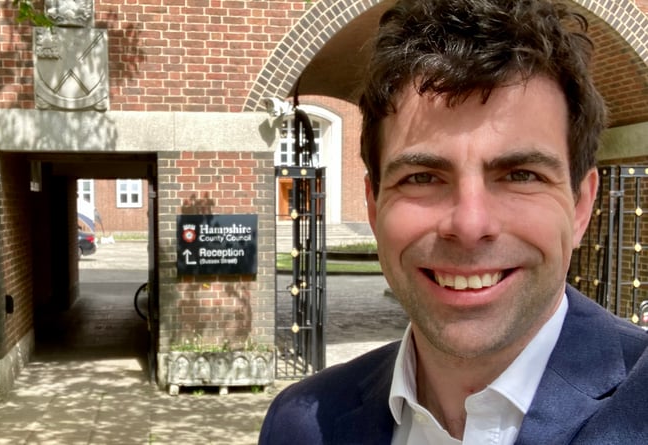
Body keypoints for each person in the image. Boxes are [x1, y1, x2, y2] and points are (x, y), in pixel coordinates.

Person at [259, 0, 648, 443]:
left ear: (580, 206)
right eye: (422, 177)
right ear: (374, 205)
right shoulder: (301, 425)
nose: (469, 223)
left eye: (521, 175)